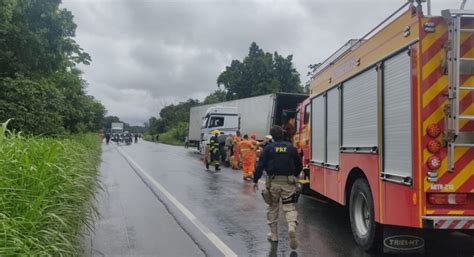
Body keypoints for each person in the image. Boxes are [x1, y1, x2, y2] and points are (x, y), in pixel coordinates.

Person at [253, 125, 302, 249]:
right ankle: (291, 227)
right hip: (288, 183)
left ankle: (274, 235)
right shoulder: (291, 147)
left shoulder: (268, 148)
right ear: (283, 134)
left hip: (273, 183)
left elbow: (260, 165)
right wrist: (294, 176)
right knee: (289, 208)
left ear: (272, 136)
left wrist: (255, 180)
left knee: (273, 207)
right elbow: (299, 165)